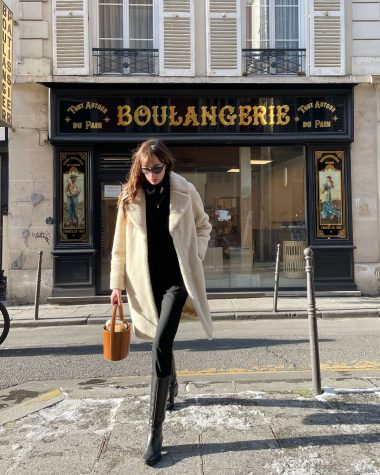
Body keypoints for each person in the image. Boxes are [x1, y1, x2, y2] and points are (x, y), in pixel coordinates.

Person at [110, 139, 213, 466]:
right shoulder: (128, 196)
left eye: (158, 167)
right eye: (146, 168)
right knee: (161, 341)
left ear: (167, 164)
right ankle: (172, 383)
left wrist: (195, 255)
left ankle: (154, 431)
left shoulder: (185, 190)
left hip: (176, 281)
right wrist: (115, 284)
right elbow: (120, 245)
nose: (152, 174)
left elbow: (204, 225)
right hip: (144, 282)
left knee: (158, 345)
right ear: (139, 168)